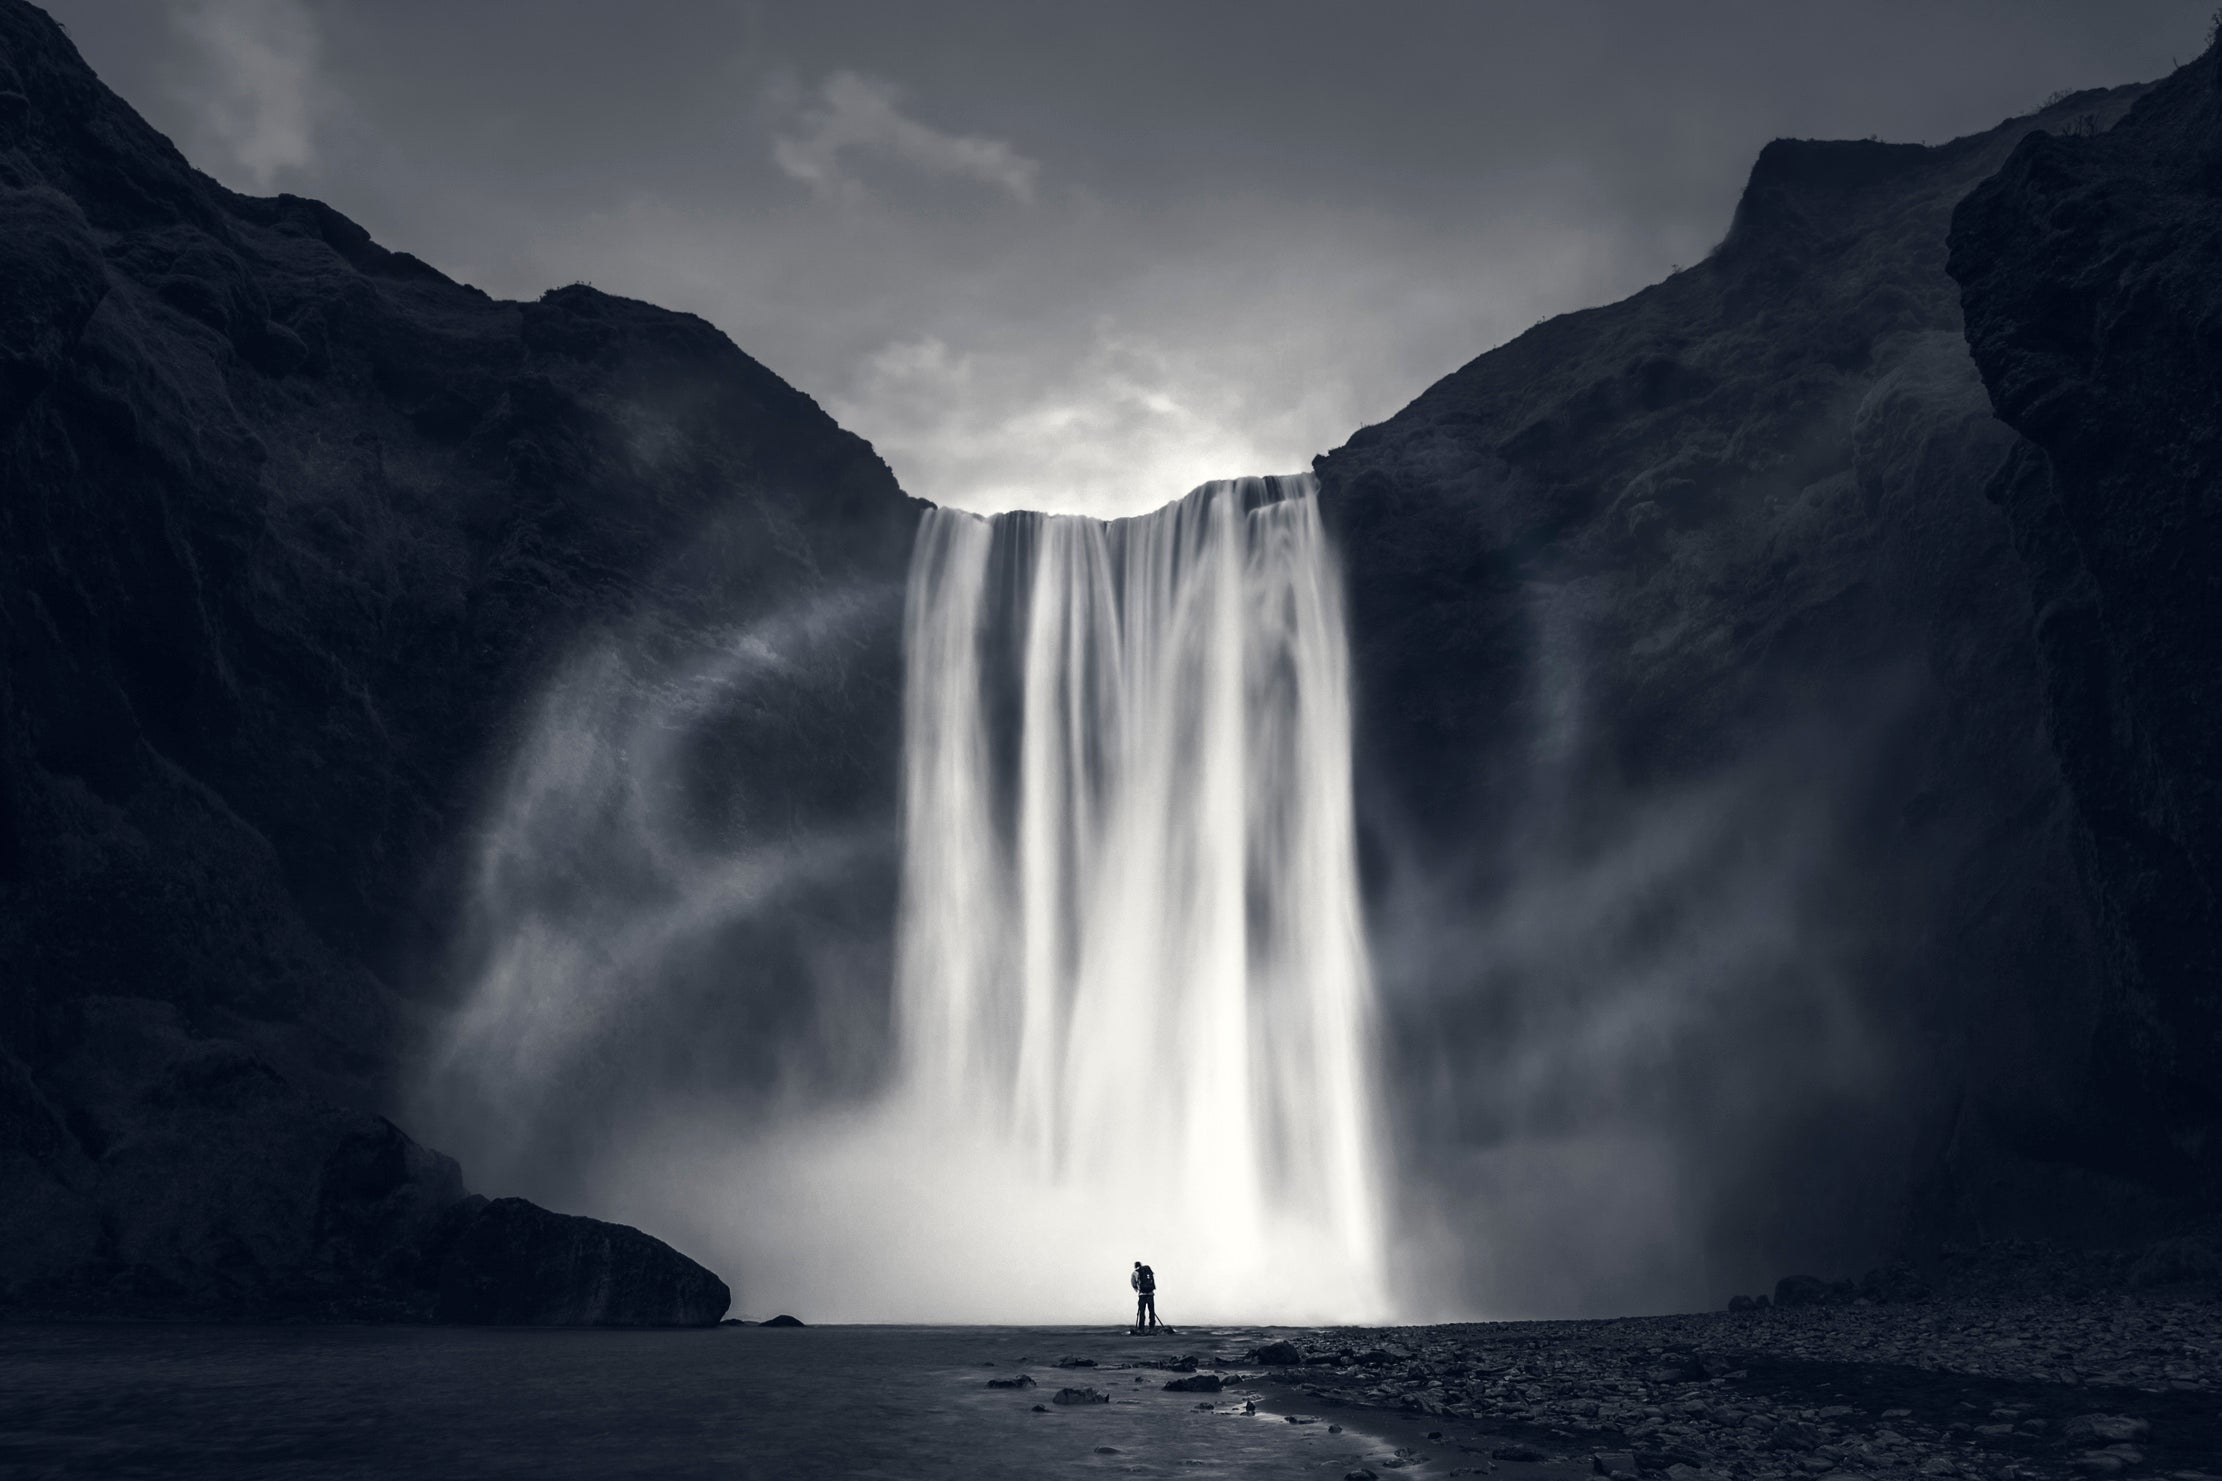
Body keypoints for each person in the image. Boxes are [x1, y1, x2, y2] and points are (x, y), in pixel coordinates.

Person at [1130, 1260, 1158, 1333]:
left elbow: (1133, 1283)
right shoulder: (1148, 1270)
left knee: (1142, 1311)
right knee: (1151, 1311)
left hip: (1142, 1295)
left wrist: (1137, 1289)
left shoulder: (1135, 1273)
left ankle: (1141, 1328)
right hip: (1151, 1294)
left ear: (1135, 1266)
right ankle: (1152, 1327)